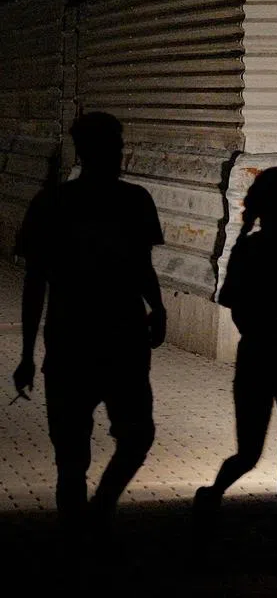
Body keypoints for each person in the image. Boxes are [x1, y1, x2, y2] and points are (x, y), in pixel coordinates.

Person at [12, 111, 166, 552]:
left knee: (74, 454)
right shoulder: (132, 201)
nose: (118, 156)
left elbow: (35, 281)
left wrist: (27, 353)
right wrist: (155, 308)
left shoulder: (53, 204)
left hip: (75, 340)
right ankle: (92, 522)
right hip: (116, 339)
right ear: (94, 151)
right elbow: (141, 266)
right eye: (114, 148)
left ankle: (79, 533)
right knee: (129, 436)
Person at [193, 167, 277, 572]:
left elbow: (234, 302)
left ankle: (213, 497)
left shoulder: (248, 249)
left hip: (256, 358)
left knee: (249, 453)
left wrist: (260, 331)